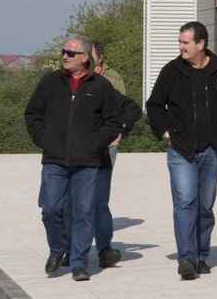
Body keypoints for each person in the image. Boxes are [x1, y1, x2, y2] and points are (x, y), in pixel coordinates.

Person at [146, 21, 217, 280]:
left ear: (201, 44)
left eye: (185, 42)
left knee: (204, 206)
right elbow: (155, 105)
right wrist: (166, 133)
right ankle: (186, 259)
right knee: (185, 203)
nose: (180, 47)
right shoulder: (171, 71)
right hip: (181, 150)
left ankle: (201, 254)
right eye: (179, 42)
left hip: (212, 150)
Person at [24, 35, 123, 282]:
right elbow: (33, 113)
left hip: (87, 162)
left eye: (70, 53)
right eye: (63, 52)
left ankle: (79, 263)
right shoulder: (50, 82)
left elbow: (113, 119)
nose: (64, 56)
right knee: (51, 208)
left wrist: (96, 143)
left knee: (83, 212)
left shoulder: (100, 86)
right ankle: (58, 250)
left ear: (84, 57)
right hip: (54, 159)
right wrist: (44, 139)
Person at [61, 42, 141, 269]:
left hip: (104, 148)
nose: (67, 57)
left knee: (98, 201)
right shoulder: (61, 82)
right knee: (68, 203)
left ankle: (104, 249)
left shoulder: (108, 81)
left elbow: (126, 108)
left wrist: (118, 132)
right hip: (71, 152)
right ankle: (69, 249)